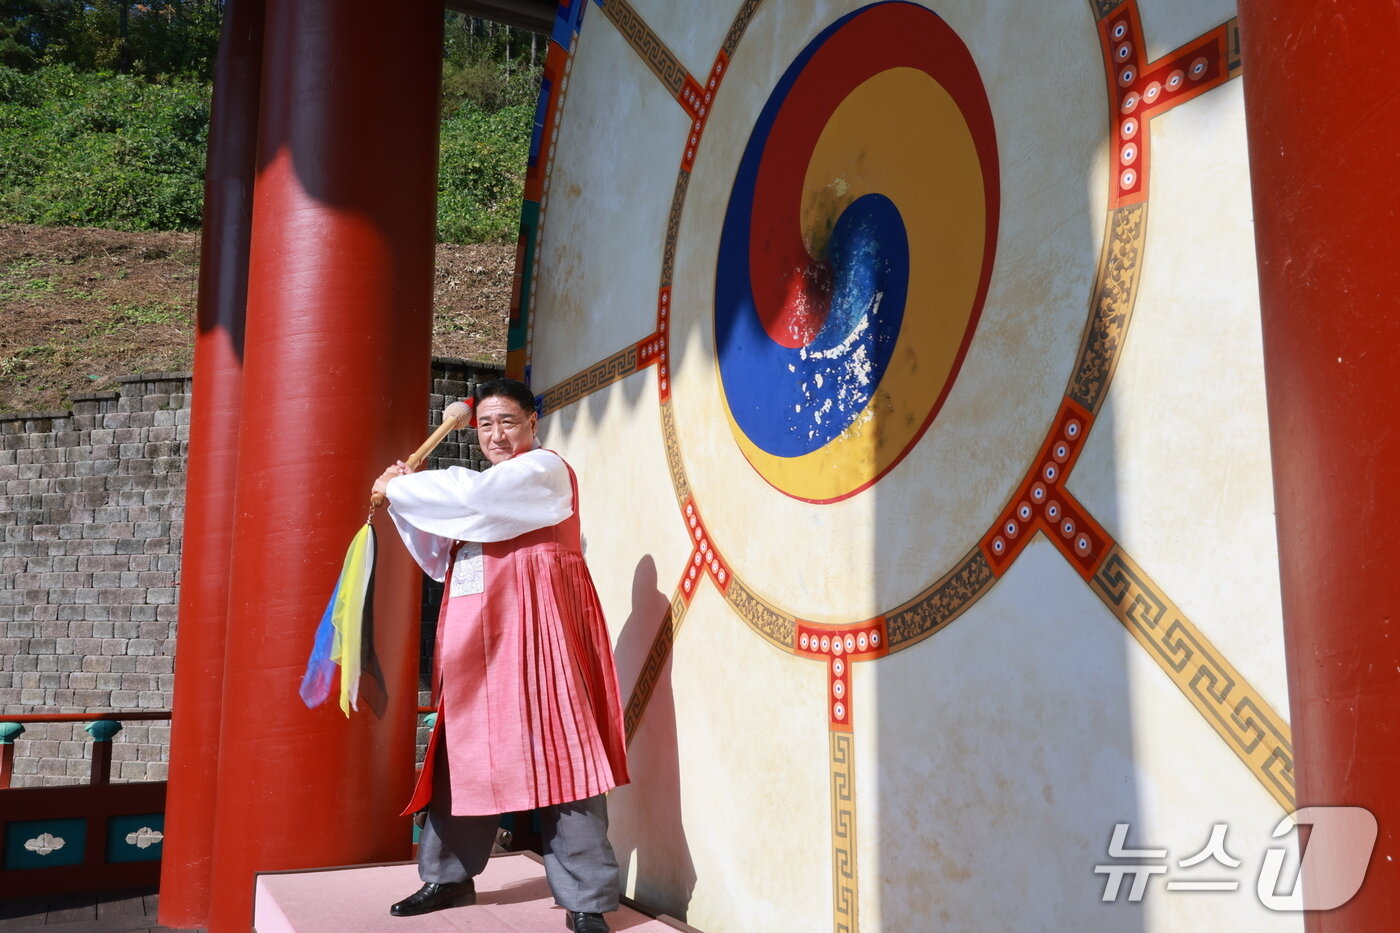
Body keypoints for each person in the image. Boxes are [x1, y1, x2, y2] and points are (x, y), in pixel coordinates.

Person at [371, 377, 629, 933]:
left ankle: (587, 900)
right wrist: (405, 494)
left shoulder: (541, 471)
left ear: (532, 423)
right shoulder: (484, 502)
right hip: (473, 637)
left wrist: (403, 491)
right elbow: (438, 550)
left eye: (507, 422)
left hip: (539, 630)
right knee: (462, 753)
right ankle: (447, 877)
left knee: (564, 754)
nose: (495, 434)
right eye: (485, 424)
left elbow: (469, 497)